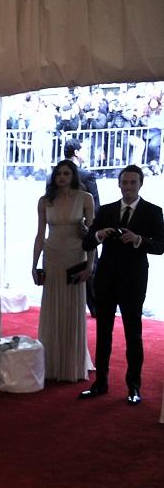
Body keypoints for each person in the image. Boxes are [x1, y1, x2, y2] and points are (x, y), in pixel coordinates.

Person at [79, 165, 164, 404]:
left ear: (140, 184)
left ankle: (134, 387)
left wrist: (138, 240)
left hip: (134, 280)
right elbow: (87, 243)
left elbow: (160, 246)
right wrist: (98, 235)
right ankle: (100, 383)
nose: (127, 187)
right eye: (124, 182)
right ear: (119, 184)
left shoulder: (152, 211)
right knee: (103, 333)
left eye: (132, 183)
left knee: (133, 334)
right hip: (106, 279)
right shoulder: (106, 211)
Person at [31, 161, 94, 383]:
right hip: (52, 256)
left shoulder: (85, 198)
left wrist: (90, 265)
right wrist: (34, 264)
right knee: (52, 306)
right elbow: (39, 235)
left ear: (73, 175)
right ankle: (52, 362)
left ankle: (72, 363)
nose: (62, 177)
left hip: (76, 255)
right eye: (58, 173)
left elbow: (92, 237)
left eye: (66, 173)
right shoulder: (45, 201)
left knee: (73, 308)